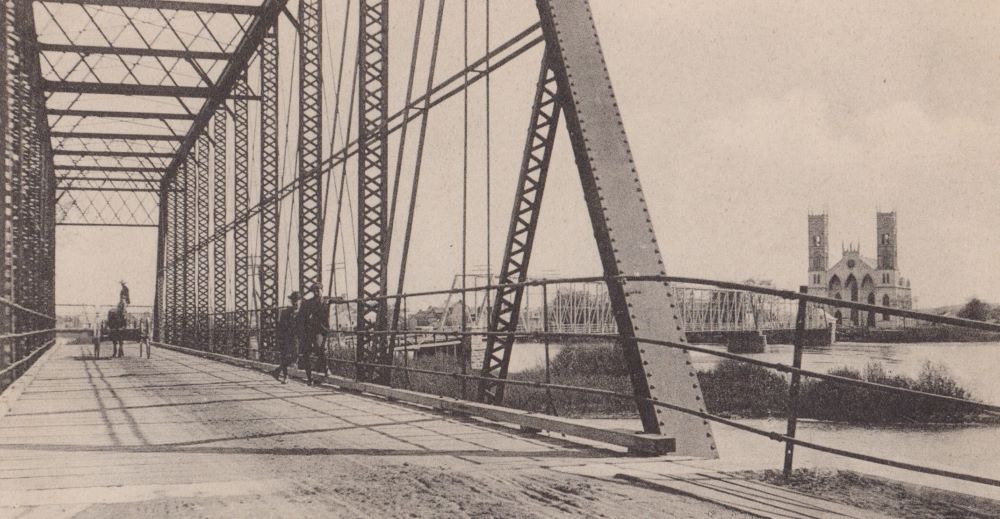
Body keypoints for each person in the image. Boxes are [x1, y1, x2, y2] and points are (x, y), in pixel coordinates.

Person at [297, 282, 330, 385]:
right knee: (306, 353)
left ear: (322, 290)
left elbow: (338, 299)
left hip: (320, 330)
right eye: (314, 291)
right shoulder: (308, 303)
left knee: (320, 349)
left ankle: (325, 368)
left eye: (318, 290)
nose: (316, 292)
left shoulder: (326, 300)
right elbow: (301, 317)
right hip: (308, 331)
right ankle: (309, 377)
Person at [270, 292, 301, 384]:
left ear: (300, 301)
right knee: (285, 356)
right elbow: (280, 326)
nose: (295, 302)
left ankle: (277, 371)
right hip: (286, 337)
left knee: (295, 357)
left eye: (297, 300)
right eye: (293, 300)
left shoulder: (303, 312)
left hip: (297, 338)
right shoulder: (285, 312)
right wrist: (280, 338)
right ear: (291, 301)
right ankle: (285, 376)